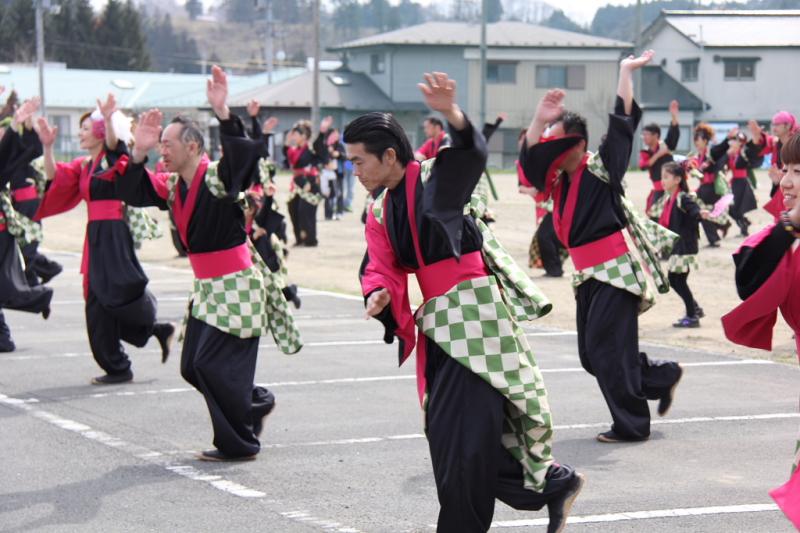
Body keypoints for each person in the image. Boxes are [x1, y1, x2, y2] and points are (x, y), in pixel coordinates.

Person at [348, 72, 583, 533]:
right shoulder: (379, 210)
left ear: (389, 155)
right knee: (450, 438)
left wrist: (453, 114)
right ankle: (552, 484)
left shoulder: (434, 176)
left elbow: (471, 155)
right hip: (440, 323)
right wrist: (378, 291)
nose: (354, 170)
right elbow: (380, 265)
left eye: (359, 161)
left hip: (475, 315)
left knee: (464, 443)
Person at [117, 66, 302, 462]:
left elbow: (240, 162)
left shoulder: (216, 178)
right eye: (160, 145)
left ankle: (239, 444)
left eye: (168, 144)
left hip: (236, 284)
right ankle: (251, 404)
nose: (163, 151)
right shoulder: (173, 185)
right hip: (207, 287)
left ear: (193, 147)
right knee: (191, 367)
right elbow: (132, 189)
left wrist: (223, 113)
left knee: (210, 365)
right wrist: (139, 152)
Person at [519, 50, 683, 443]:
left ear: (577, 144)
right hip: (587, 274)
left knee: (605, 350)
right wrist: (539, 120)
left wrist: (625, 72)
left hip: (615, 271)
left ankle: (632, 425)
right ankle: (660, 376)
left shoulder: (602, 166)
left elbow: (622, 122)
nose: (550, 147)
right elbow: (529, 164)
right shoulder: (558, 181)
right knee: (592, 356)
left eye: (556, 139)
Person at [34, 94, 174, 384]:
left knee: (116, 293)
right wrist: (47, 147)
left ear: (100, 132)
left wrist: (109, 118)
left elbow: (114, 146)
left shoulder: (113, 158)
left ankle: (128, 352)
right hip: (96, 234)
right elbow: (55, 175)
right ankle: (140, 344)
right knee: (97, 299)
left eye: (85, 128)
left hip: (113, 234)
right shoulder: (84, 165)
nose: (80, 134)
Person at [721, 131, 800, 530]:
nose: (785, 181)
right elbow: (748, 279)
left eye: (798, 172)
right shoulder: (789, 232)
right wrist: (790, 224)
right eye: (785, 169)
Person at [0, 96, 53, 353]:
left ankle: (39, 296)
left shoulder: (6, 161)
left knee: (8, 285)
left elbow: (23, 152)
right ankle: (3, 339)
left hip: (4, 230)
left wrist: (16, 126)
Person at [648, 162, 716, 328]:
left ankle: (692, 316)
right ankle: (695, 309)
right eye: (662, 177)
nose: (662, 181)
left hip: (685, 246)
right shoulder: (669, 197)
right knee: (676, 280)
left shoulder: (683, 197)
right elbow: (655, 214)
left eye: (666, 177)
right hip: (678, 245)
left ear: (678, 179)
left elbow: (694, 210)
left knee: (676, 280)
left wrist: (700, 213)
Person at [517, 130, 565, 277]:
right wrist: (530, 190)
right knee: (546, 235)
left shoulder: (543, 158)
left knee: (546, 235)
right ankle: (554, 268)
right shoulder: (521, 164)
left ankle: (554, 269)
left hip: (553, 202)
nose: (524, 143)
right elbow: (520, 186)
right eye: (522, 140)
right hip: (541, 204)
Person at [284, 118, 328, 246]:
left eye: (296, 134)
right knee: (293, 208)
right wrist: (287, 140)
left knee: (305, 211)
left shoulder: (311, 148)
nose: (294, 137)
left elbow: (321, 152)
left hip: (309, 182)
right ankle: (299, 238)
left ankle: (310, 239)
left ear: (303, 136)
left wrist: (321, 132)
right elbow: (287, 156)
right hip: (297, 182)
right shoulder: (294, 150)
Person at [686, 123, 732, 247]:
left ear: (705, 140)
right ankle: (719, 230)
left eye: (698, 138)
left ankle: (718, 232)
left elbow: (720, 151)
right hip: (704, 188)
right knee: (702, 212)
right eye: (694, 138)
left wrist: (727, 139)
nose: (695, 141)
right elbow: (697, 171)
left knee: (703, 212)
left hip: (712, 188)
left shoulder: (711, 153)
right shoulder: (698, 156)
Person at [749, 111, 799, 218]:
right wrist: (757, 137)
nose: (774, 127)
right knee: (782, 222)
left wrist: (787, 175)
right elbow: (763, 144)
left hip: (795, 191)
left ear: (787, 125)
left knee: (790, 222)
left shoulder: (797, 143)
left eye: (777, 124)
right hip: (780, 188)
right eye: (773, 124)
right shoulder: (776, 142)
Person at [639, 100, 680, 213]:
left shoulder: (665, 146)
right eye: (643, 135)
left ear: (656, 135)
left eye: (647, 134)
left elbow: (673, 135)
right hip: (658, 191)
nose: (644, 137)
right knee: (653, 217)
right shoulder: (646, 152)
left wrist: (674, 116)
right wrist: (659, 154)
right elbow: (643, 166)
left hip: (672, 191)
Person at [720, 129, 763, 237]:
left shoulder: (743, 154)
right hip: (734, 182)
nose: (735, 142)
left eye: (738, 141)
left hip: (742, 183)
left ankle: (744, 229)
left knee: (738, 208)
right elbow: (724, 168)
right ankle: (745, 222)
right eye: (735, 140)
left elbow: (751, 166)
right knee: (731, 208)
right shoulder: (730, 155)